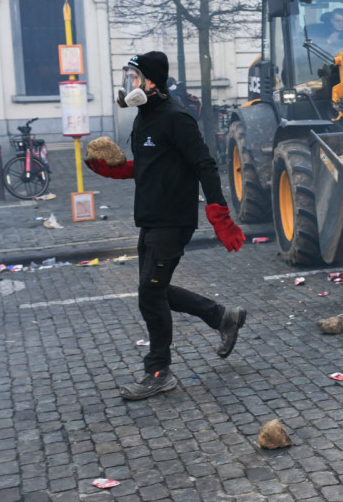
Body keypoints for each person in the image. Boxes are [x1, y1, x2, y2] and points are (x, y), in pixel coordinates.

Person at [86, 52, 248, 400]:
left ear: (152, 81)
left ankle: (158, 371)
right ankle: (223, 317)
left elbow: (205, 164)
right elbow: (150, 163)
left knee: (150, 294)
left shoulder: (177, 119)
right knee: (154, 290)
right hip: (150, 218)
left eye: (134, 76)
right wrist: (114, 170)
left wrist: (220, 214)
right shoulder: (143, 118)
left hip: (173, 220)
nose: (129, 83)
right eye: (128, 76)